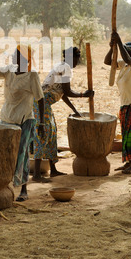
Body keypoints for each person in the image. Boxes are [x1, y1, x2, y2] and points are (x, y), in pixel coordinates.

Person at [0, 42, 45, 201]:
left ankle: (23, 189)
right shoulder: (9, 70)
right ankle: (5, 184)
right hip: (6, 117)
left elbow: (40, 99)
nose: (13, 56)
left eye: (16, 54)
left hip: (24, 119)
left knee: (22, 154)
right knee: (5, 152)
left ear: (24, 58)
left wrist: (42, 124)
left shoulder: (32, 75)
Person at [32, 46, 94, 181]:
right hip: (41, 104)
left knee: (52, 133)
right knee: (43, 133)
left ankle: (53, 170)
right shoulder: (65, 67)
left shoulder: (63, 66)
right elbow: (68, 92)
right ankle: (36, 174)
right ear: (73, 58)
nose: (78, 62)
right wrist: (84, 94)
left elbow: (62, 94)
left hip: (44, 104)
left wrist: (75, 110)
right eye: (77, 58)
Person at [104, 30, 131, 174]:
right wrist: (112, 47)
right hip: (125, 105)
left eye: (128, 51)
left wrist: (119, 41)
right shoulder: (124, 66)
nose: (125, 53)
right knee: (127, 135)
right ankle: (128, 163)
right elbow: (108, 61)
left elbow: (127, 58)